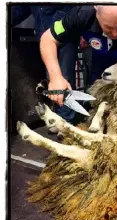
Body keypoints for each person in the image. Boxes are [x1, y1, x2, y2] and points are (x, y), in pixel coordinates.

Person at [40, 5, 117, 148]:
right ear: (96, 11)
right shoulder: (81, 14)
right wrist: (55, 77)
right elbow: (48, 39)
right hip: (101, 54)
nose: (115, 33)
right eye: (108, 27)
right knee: (97, 95)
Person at [11, 5, 78, 134]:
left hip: (64, 35)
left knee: (64, 76)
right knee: (50, 79)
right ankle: (58, 117)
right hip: (43, 36)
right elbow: (20, 9)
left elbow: (74, 8)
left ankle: (66, 122)